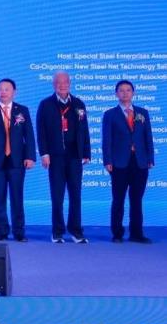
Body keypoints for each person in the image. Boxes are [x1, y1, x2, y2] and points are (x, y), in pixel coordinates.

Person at [36, 71, 90, 244]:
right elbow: (41, 131)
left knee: (76, 195)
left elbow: (84, 129)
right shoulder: (45, 104)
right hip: (55, 157)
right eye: (58, 83)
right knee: (57, 195)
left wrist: (86, 152)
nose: (62, 85)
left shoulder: (79, 104)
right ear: (54, 85)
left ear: (70, 84)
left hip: (75, 156)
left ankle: (76, 231)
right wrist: (44, 153)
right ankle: (57, 232)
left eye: (65, 82)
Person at [0, 78, 35, 242]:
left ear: (14, 92)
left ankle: (19, 232)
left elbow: (29, 135)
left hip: (17, 160)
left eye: (7, 89)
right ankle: (1, 231)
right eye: (0, 89)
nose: (3, 92)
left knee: (17, 197)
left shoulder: (22, 110)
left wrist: (30, 156)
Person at [102, 80, 154, 244]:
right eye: (121, 90)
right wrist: (107, 160)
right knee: (118, 199)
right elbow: (107, 139)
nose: (125, 93)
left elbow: (148, 137)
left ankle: (136, 233)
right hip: (119, 162)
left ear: (133, 93)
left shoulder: (142, 113)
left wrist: (150, 158)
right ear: (116, 93)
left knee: (137, 199)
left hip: (140, 162)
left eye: (128, 90)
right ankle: (117, 233)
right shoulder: (110, 114)